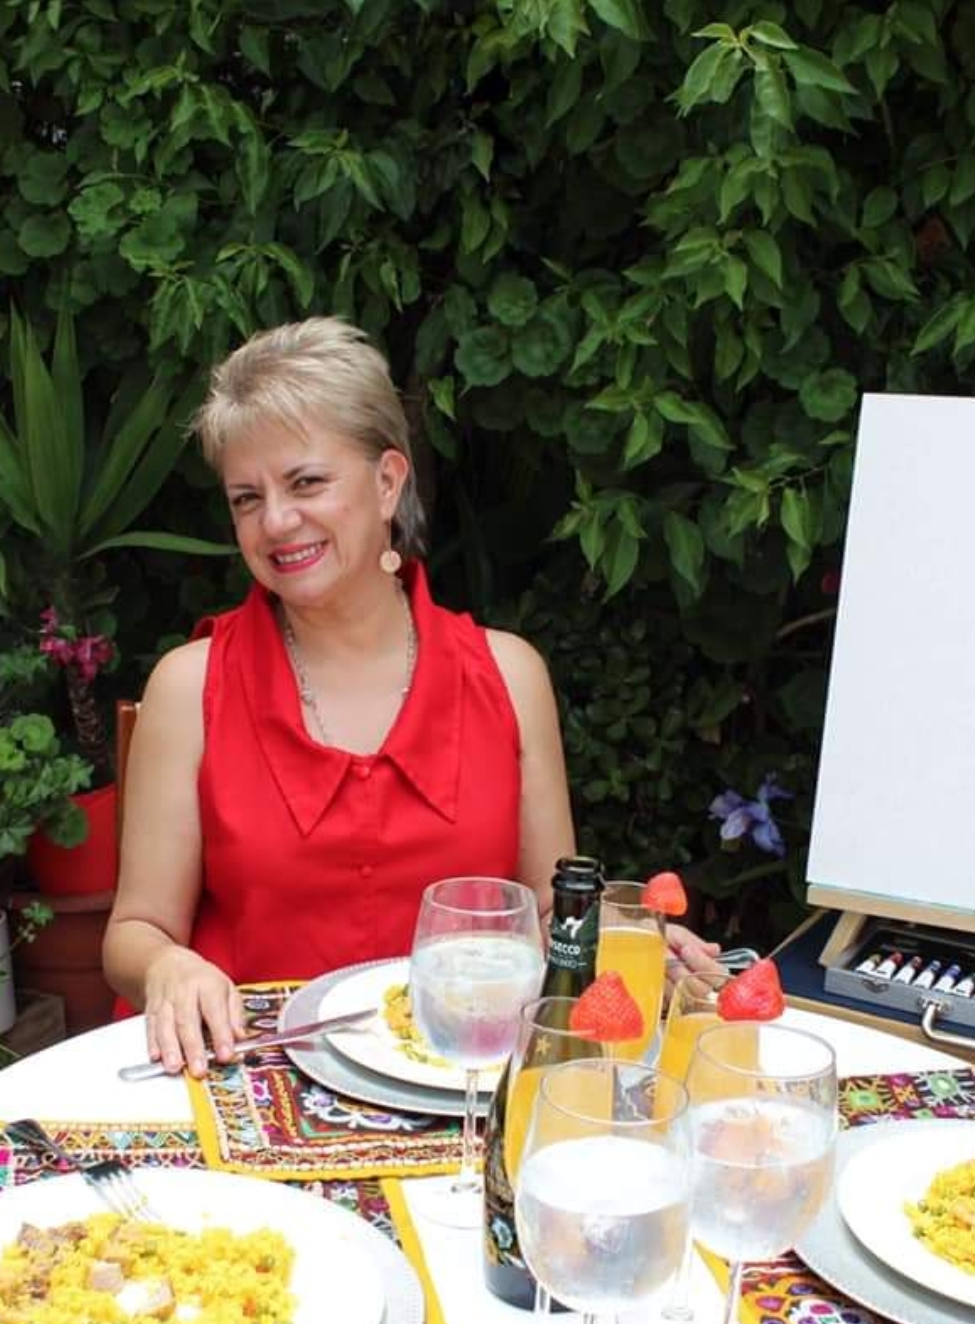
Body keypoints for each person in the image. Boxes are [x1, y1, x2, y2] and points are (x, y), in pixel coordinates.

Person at [103, 317, 716, 1078]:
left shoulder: (509, 676)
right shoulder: (190, 684)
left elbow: (549, 912)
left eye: (306, 482)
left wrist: (625, 940)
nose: (277, 521)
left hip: (465, 1078)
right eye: (246, 498)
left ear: (388, 481)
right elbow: (135, 930)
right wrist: (166, 965)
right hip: (250, 1076)